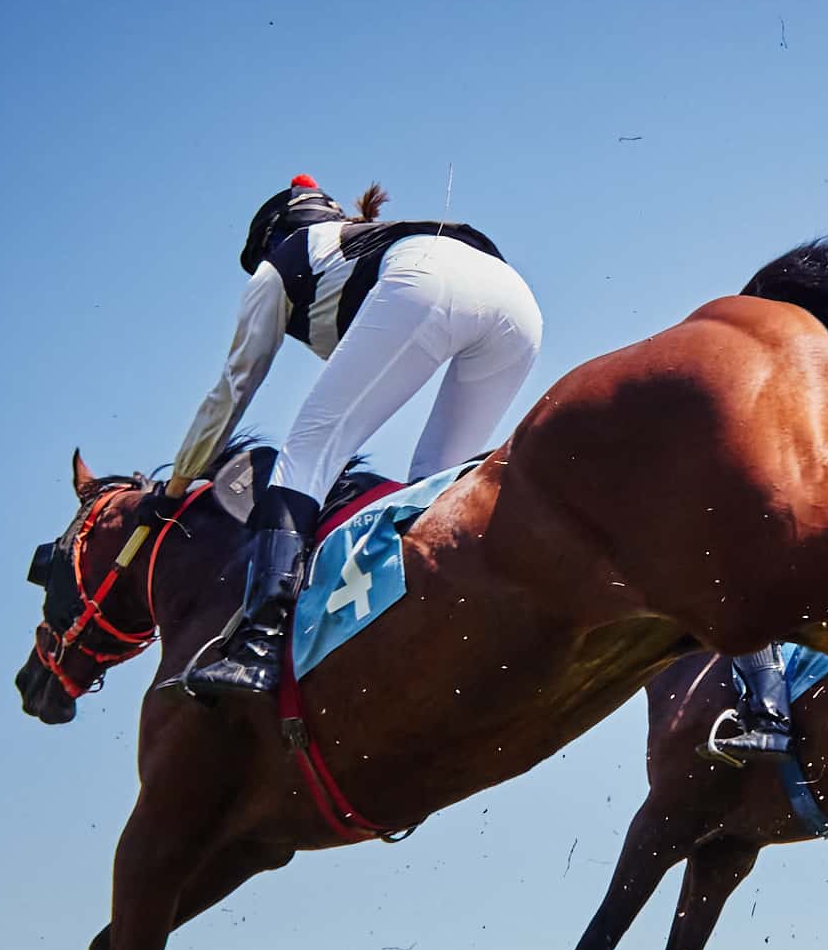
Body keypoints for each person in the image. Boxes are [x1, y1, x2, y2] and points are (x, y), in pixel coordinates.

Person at [162, 175, 543, 697]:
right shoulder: (352, 246)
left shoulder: (280, 265)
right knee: (437, 492)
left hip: (428, 283)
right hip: (517, 304)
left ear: (271, 237)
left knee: (305, 455)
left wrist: (176, 485)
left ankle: (259, 643)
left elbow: (234, 385)